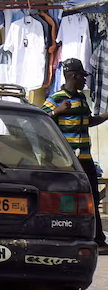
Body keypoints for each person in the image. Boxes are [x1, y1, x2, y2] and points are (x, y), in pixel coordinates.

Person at [45, 58, 108, 239]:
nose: (85, 81)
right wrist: (56, 112)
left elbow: (89, 121)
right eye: (82, 76)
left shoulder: (81, 98)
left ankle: (98, 238)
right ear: (73, 76)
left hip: (86, 159)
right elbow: (40, 120)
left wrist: (105, 116)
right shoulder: (56, 99)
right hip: (67, 161)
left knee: (92, 197)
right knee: (66, 199)